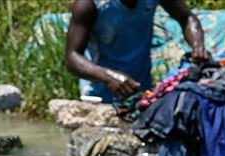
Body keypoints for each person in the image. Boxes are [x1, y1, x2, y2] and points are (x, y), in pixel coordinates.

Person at [64, 0, 209, 102]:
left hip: (141, 93)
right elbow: (72, 57)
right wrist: (108, 77)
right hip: (98, 96)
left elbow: (187, 17)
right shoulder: (89, 4)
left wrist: (198, 46)